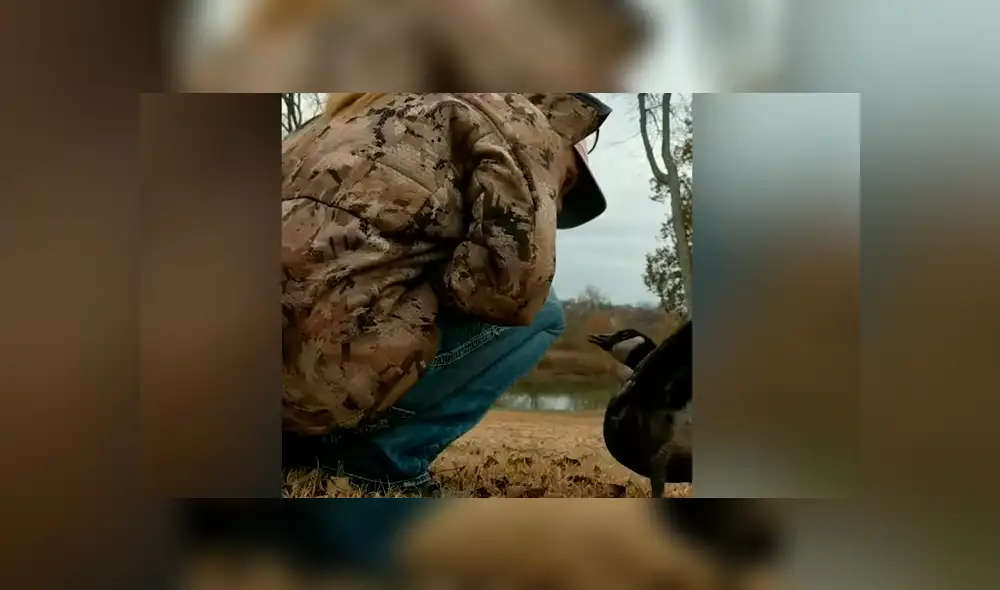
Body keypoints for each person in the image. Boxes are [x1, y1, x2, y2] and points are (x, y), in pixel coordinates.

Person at [282, 93, 612, 496]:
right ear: (559, 140)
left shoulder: (340, 117)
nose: (557, 202)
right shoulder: (520, 122)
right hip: (309, 385)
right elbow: (511, 293)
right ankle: (379, 463)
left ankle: (296, 444)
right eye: (567, 182)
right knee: (543, 312)